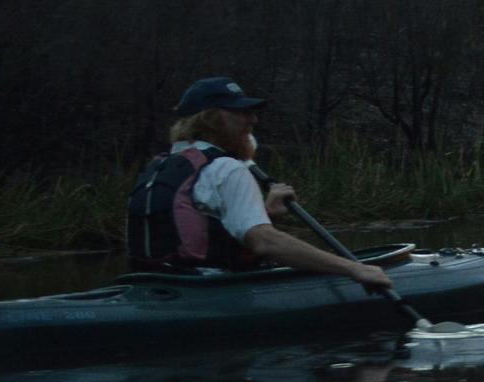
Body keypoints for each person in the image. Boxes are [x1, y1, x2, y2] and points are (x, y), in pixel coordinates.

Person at [125, 77, 394, 290]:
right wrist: (354, 269)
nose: (253, 120)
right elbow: (266, 244)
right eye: (241, 112)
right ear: (210, 118)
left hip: (160, 285)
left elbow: (199, 225)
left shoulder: (163, 163)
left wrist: (262, 213)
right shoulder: (226, 167)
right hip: (211, 289)